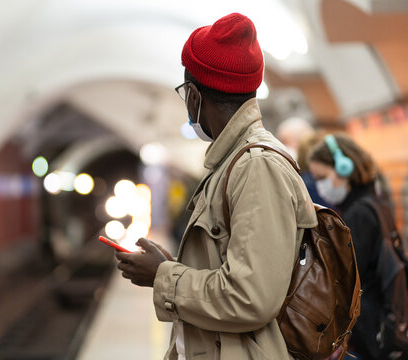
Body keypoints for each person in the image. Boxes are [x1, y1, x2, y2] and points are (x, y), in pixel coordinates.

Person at [115, 13, 317, 359]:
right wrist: (174, 264)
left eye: (184, 92)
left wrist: (164, 277)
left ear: (194, 95)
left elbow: (251, 297)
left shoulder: (256, 168)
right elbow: (236, 264)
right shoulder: (233, 162)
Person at [307, 133, 382, 359]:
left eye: (322, 177)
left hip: (368, 328)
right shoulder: (373, 201)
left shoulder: (358, 214)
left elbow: (347, 279)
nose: (320, 186)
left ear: (344, 168)